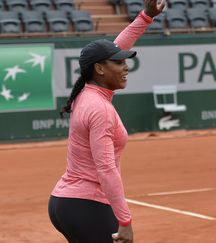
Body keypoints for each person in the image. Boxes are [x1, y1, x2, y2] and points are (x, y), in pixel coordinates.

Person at [48, 0, 165, 242]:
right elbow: (106, 169)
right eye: (119, 63)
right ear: (100, 69)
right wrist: (125, 220)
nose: (126, 68)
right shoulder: (99, 108)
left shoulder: (87, 92)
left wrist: (146, 16)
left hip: (66, 202)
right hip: (86, 205)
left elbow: (114, 48)